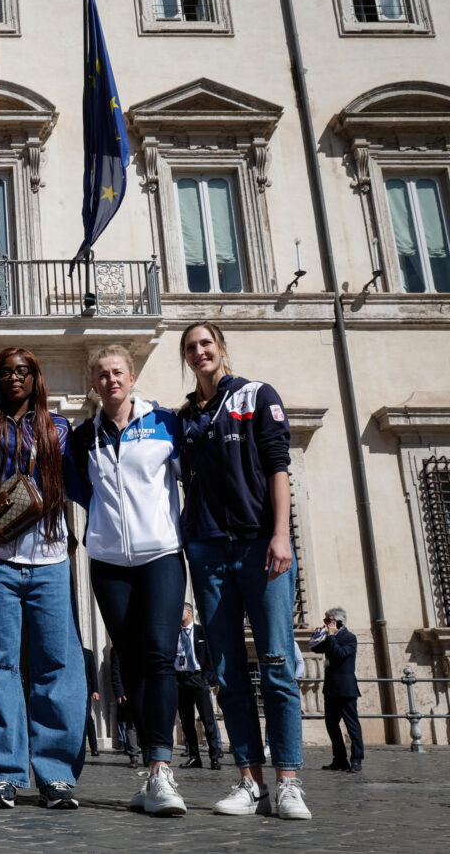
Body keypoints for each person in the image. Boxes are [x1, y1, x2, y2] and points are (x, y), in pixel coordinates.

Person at [178, 321, 311, 820]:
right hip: (209, 550)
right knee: (230, 673)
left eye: (206, 344)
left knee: (276, 663)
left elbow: (279, 465)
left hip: (261, 545)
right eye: (191, 347)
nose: (199, 352)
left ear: (221, 348)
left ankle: (290, 781)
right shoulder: (186, 415)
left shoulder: (255, 395)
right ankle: (249, 780)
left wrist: (281, 534)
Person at [0, 347, 85, 811]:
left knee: (58, 665)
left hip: (50, 560)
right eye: (6, 371)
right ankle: (5, 775)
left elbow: (81, 482)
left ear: (36, 378)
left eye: (24, 371)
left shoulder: (59, 429)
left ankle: (55, 775)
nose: (14, 377)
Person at [68, 344, 189, 816]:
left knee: (159, 658)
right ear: (93, 383)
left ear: (132, 377)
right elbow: (81, 491)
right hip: (109, 563)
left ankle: (161, 768)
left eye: (117, 372)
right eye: (101, 374)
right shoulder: (84, 438)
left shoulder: (166, 424)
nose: (110, 380)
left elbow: (191, 484)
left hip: (160, 554)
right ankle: (150, 771)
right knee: (133, 663)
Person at [309, 607, 363, 773]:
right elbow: (315, 648)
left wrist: (331, 636)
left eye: (328, 621)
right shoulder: (329, 637)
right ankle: (339, 759)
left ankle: (356, 760)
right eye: (325, 621)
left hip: (346, 689)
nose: (325, 624)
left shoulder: (349, 638)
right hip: (331, 688)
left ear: (338, 622)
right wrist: (318, 635)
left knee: (351, 725)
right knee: (332, 725)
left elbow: (340, 654)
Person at [176, 603, 223, 770]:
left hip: (198, 678)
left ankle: (215, 757)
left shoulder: (201, 631)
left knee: (207, 720)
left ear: (189, 612)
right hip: (181, 680)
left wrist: (207, 678)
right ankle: (194, 757)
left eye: (180, 609)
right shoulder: (175, 633)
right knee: (186, 722)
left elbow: (211, 655)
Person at [110, 650, 142, 768]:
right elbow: (115, 672)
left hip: (146, 688)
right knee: (131, 724)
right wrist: (119, 692)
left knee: (148, 724)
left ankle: (150, 755)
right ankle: (133, 756)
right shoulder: (117, 649)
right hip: (128, 692)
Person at [83, 648, 100, 757]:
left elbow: (93, 673)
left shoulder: (88, 653)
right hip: (73, 693)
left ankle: (94, 747)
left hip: (86, 692)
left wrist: (95, 690)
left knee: (88, 718)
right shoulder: (69, 653)